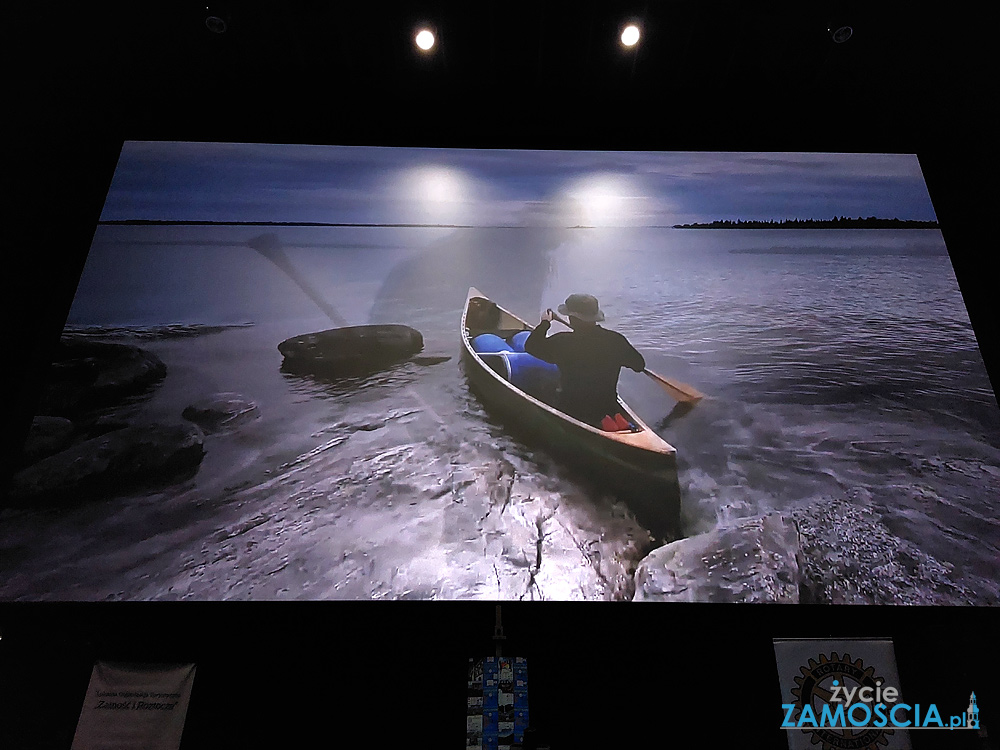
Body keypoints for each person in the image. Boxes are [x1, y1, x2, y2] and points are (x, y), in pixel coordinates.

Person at [524, 293, 645, 428]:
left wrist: (545, 323)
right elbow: (639, 365)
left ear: (572, 318)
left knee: (544, 383)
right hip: (607, 406)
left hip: (573, 409)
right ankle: (614, 420)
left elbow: (531, 346)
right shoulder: (616, 340)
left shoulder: (562, 342)